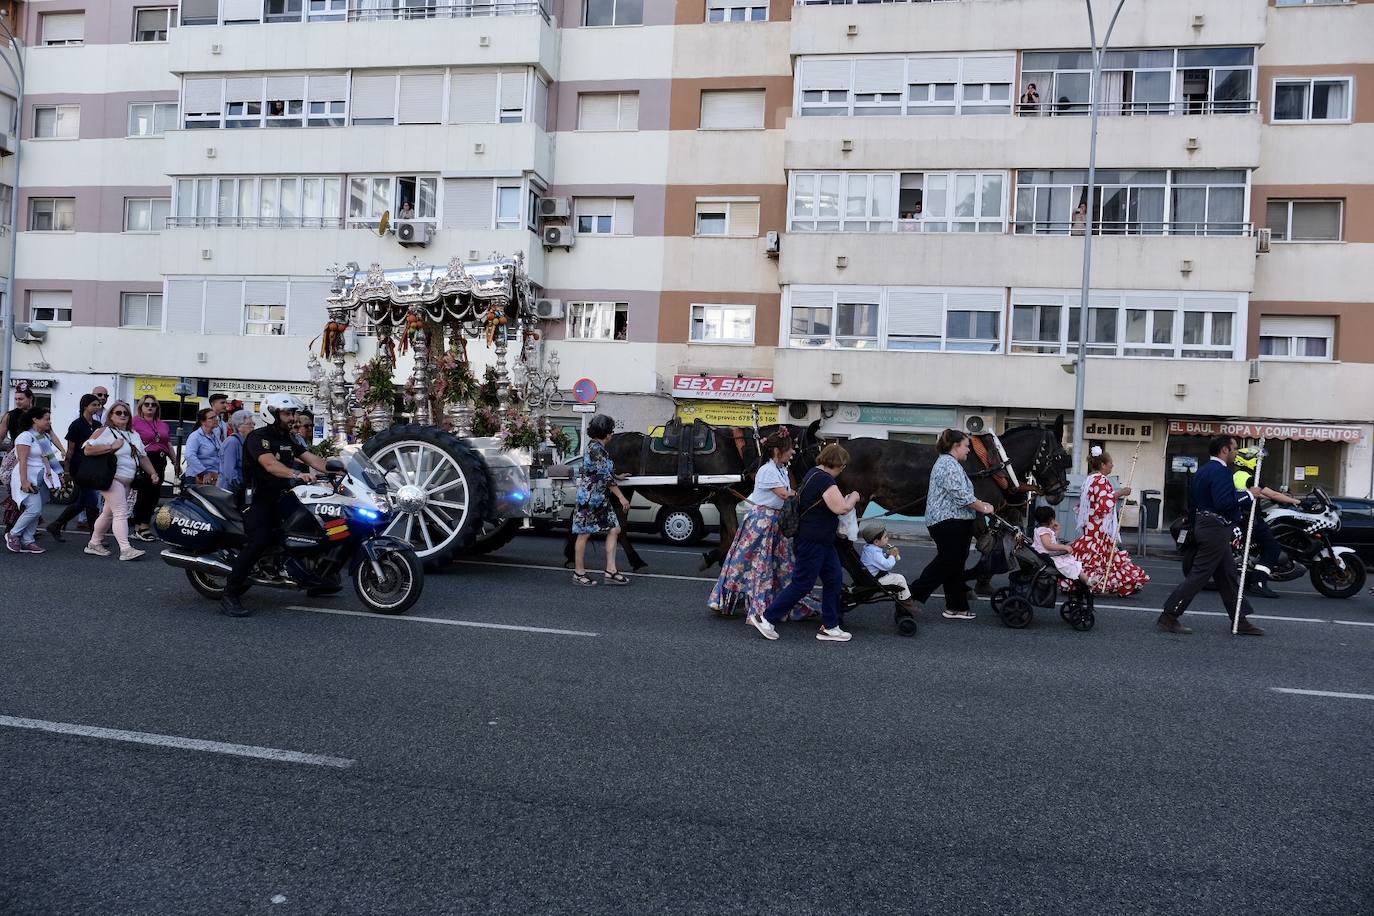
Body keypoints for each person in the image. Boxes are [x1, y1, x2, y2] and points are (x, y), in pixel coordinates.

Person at [221, 393, 330, 617]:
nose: (292, 418)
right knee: (259, 540)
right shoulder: (257, 437)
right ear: (271, 414)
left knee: (313, 526)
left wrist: (342, 469)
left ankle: (316, 579)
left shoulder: (290, 439)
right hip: (257, 498)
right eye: (287, 413)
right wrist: (296, 474)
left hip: (282, 496)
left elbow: (315, 460)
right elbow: (270, 465)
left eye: (293, 414)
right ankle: (230, 594)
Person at [748, 443, 860, 643]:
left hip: (822, 541)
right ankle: (766, 618)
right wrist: (853, 498)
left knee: (834, 579)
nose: (843, 469)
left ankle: (830, 626)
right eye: (843, 466)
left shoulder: (813, 473)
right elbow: (841, 508)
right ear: (837, 463)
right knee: (803, 583)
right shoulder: (824, 480)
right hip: (813, 541)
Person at [1158, 435, 1265, 636]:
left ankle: (1239, 619)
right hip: (1214, 528)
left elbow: (1194, 502)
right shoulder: (1222, 471)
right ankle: (1169, 615)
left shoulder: (1204, 470)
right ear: (1224, 450)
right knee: (1199, 575)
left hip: (1207, 525)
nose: (1236, 453)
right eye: (1234, 449)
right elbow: (1224, 502)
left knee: (1228, 576)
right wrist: (1249, 495)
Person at [708, 429, 816, 621]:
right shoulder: (767, 470)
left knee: (780, 566)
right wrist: (810, 494)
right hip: (761, 523)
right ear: (777, 451)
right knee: (747, 564)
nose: (792, 452)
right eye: (789, 449)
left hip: (775, 523)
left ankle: (779, 603)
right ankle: (724, 600)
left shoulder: (781, 469)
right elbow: (784, 494)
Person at [907, 429, 996, 620]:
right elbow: (961, 495)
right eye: (966, 446)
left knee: (954, 565)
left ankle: (956, 607)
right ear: (956, 446)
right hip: (947, 521)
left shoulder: (951, 463)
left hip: (954, 521)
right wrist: (983, 506)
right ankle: (912, 596)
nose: (969, 450)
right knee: (947, 562)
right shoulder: (948, 465)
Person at [83, 400, 161, 561]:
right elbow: (88, 449)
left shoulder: (133, 434)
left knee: (108, 513)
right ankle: (126, 549)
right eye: (118, 412)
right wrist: (111, 447)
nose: (123, 415)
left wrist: (153, 473)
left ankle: (94, 543)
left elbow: (142, 456)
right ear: (110, 415)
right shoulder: (104, 431)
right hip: (112, 478)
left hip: (127, 480)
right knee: (121, 512)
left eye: (126, 413)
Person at [1069, 447, 1149, 596]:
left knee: (1098, 554)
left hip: (1092, 526)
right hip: (1099, 527)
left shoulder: (1089, 479)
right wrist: (1121, 493)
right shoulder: (1100, 480)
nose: (1112, 465)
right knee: (1100, 555)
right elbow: (1104, 503)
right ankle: (1099, 583)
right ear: (1103, 464)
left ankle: (1092, 581)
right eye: (1110, 463)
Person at [1231, 446, 1301, 599]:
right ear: (1249, 460)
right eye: (1258, 460)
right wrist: (1296, 501)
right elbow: (1272, 493)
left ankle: (1249, 580)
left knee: (1261, 547)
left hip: (1240, 517)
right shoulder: (1250, 477)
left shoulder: (1237, 475)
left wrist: (1275, 498)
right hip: (1250, 519)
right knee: (1273, 548)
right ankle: (1259, 582)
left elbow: (1257, 494)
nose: (1259, 463)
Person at [571, 414, 631, 587]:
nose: (612, 434)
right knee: (584, 534)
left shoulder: (598, 448)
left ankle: (611, 570)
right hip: (589, 498)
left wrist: (617, 475)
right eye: (611, 431)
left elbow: (603, 471)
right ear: (607, 434)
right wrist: (621, 497)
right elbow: (604, 476)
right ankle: (578, 572)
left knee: (615, 528)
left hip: (600, 498)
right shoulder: (596, 449)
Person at [46, 393, 104, 541]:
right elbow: (70, 450)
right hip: (79, 467)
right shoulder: (77, 425)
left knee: (82, 502)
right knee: (91, 501)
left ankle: (56, 525)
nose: (98, 407)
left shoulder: (98, 426)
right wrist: (66, 470)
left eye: (98, 404)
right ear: (86, 406)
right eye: (94, 404)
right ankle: (95, 537)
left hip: (93, 467)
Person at [7, 407, 63, 555]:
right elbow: (23, 460)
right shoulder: (25, 436)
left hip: (41, 478)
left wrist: (54, 475)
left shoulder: (43, 437)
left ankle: (28, 540)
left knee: (37, 511)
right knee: (34, 509)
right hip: (27, 477)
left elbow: (45, 458)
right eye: (46, 419)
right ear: (35, 420)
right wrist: (24, 482)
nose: (49, 422)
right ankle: (13, 534)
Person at [131, 395, 174, 541]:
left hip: (161, 459)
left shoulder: (162, 424)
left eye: (153, 405)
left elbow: (167, 444)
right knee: (145, 493)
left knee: (155, 495)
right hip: (146, 459)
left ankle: (140, 525)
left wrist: (175, 461)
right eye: (146, 404)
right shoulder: (135, 422)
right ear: (141, 407)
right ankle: (142, 525)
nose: (150, 407)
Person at [859, 522, 917, 613]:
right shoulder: (874, 553)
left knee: (897, 578)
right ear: (876, 542)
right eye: (885, 537)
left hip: (871, 576)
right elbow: (887, 566)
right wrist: (892, 556)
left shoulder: (870, 548)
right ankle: (906, 603)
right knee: (900, 578)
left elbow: (878, 561)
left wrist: (887, 555)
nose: (887, 539)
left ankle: (904, 599)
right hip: (875, 580)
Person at [1031, 505, 1089, 586]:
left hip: (1047, 556)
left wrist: (1057, 530)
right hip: (1048, 557)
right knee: (1070, 565)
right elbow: (1049, 545)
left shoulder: (1042, 530)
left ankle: (1085, 579)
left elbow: (1052, 540)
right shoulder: (1043, 531)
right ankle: (1086, 580)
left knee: (1072, 563)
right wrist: (1064, 547)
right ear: (1051, 520)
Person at [219, 409, 255, 503]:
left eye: (253, 424)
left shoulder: (246, 442)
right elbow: (230, 473)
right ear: (239, 427)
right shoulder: (232, 442)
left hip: (244, 489)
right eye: (249, 424)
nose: (252, 427)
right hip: (230, 493)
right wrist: (241, 487)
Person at [183, 408, 223, 487]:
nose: (215, 419)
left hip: (213, 477)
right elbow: (189, 455)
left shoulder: (215, 435)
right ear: (202, 421)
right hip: (197, 477)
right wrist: (203, 472)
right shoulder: (195, 436)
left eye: (215, 417)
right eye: (211, 418)